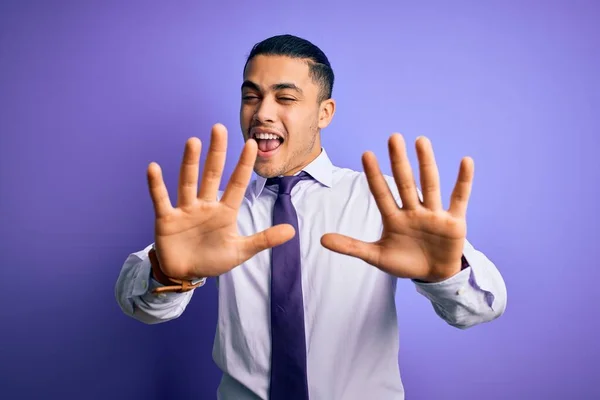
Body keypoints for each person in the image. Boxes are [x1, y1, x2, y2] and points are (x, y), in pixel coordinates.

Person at [115, 34, 507, 400]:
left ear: (324, 113)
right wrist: (168, 273)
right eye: (251, 97)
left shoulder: (386, 204)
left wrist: (444, 272)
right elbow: (138, 304)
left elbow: (483, 306)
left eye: (285, 98)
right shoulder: (211, 215)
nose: (261, 113)